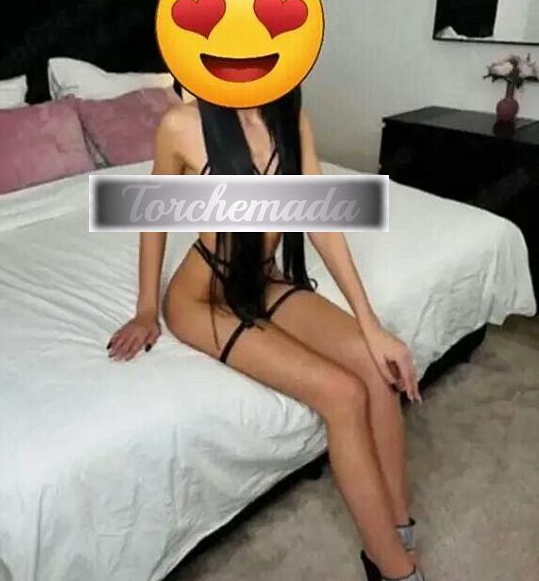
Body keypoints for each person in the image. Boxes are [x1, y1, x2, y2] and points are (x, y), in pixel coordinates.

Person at [107, 86, 425, 581]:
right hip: (199, 298)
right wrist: (146, 309)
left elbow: (321, 222)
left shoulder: (291, 118)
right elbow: (154, 218)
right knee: (342, 395)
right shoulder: (181, 124)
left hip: (265, 279)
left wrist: (371, 325)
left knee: (374, 365)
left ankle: (398, 528)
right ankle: (393, 568)